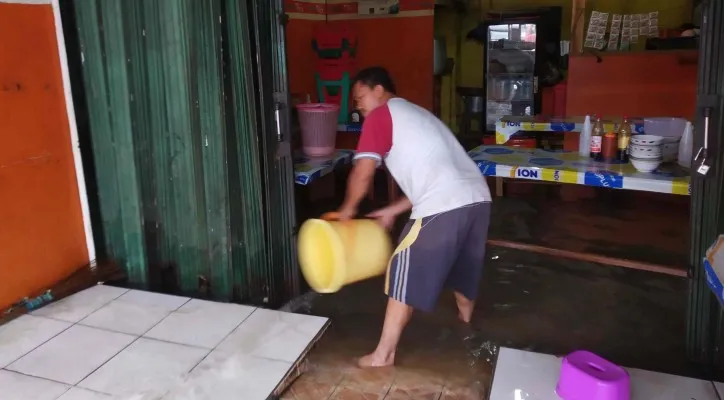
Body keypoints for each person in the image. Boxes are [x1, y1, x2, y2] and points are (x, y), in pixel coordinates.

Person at [336, 66, 492, 368]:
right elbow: (436, 173)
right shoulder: (419, 115)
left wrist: (346, 210)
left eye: (360, 98)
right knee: (463, 274)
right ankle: (466, 331)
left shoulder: (381, 115)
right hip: (478, 199)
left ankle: (383, 356)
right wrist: (394, 209)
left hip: (444, 203)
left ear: (379, 90)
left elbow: (363, 171)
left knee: (400, 274)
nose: (358, 107)